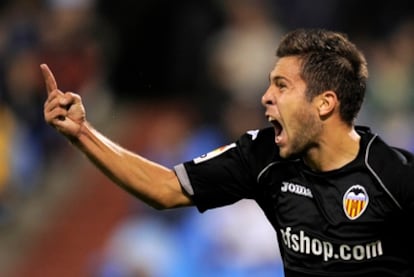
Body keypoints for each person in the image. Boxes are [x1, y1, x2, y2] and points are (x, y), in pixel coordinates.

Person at [41, 28, 414, 277]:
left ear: (324, 104)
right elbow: (165, 188)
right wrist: (82, 133)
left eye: (281, 86)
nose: (266, 97)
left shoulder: (394, 175)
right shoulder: (263, 156)